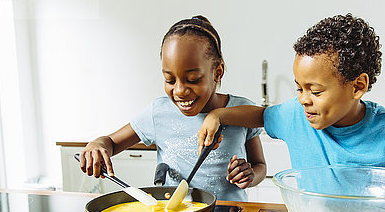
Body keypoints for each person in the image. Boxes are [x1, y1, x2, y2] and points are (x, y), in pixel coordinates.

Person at [197, 13, 385, 195]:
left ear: (357, 86)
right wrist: (218, 115)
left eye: (315, 90)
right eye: (299, 88)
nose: (304, 98)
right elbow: (260, 115)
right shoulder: (296, 115)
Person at [79, 15, 266, 201]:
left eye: (192, 80)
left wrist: (250, 176)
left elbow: (260, 165)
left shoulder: (242, 111)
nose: (180, 91)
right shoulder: (159, 113)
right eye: (169, 80)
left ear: (217, 72)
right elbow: (111, 142)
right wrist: (98, 145)